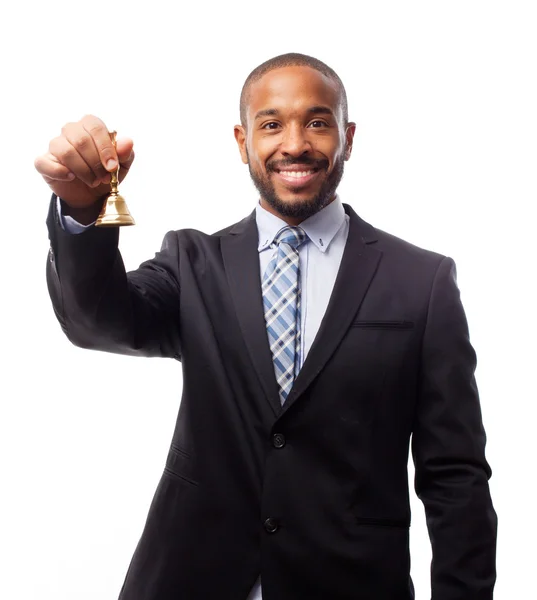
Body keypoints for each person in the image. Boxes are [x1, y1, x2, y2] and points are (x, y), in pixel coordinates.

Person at [35, 53, 497, 600]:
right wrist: (82, 212)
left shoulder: (422, 281)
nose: (295, 144)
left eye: (318, 122)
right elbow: (97, 324)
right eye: (271, 124)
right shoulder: (193, 262)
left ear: (347, 136)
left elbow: (455, 477)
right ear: (242, 141)